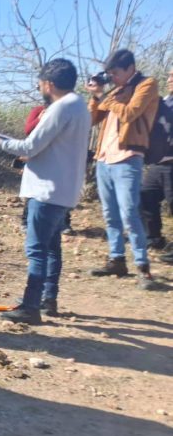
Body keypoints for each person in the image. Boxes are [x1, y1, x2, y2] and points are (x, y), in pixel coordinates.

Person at [0, 58, 91, 324]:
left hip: (47, 190)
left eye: (41, 83)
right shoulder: (80, 106)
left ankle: (31, 306)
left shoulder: (60, 108)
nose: (40, 87)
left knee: (37, 249)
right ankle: (48, 299)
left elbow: (29, 148)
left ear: (50, 84)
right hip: (64, 189)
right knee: (52, 247)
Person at [86, 49, 159, 289]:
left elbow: (131, 113)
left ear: (130, 68)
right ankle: (116, 258)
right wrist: (96, 97)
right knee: (110, 213)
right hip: (105, 157)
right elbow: (93, 119)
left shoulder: (146, 84)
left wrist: (107, 98)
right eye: (110, 74)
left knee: (129, 212)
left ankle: (142, 266)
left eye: (115, 73)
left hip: (128, 156)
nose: (113, 78)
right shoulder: (114, 92)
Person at [19, 104, 74, 235]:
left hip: (61, 155)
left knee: (62, 189)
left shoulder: (67, 111)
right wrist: (40, 119)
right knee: (33, 189)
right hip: (39, 154)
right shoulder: (38, 110)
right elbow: (28, 130)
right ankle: (26, 222)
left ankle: (63, 222)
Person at [140, 67, 173, 255]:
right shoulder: (163, 102)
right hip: (157, 163)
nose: (169, 79)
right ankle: (154, 238)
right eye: (169, 75)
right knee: (146, 196)